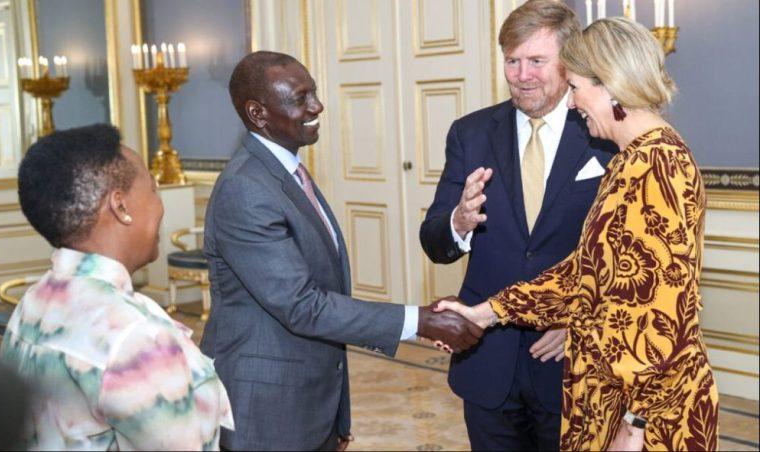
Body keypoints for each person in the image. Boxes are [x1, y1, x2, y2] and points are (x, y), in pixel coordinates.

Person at [436, 17, 719, 451]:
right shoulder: (632, 161)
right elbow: (585, 274)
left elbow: (665, 314)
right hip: (608, 396)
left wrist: (635, 422)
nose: (571, 102)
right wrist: (485, 313)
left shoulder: (657, 165)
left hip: (644, 413)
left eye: (576, 87)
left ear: (611, 86)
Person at [200, 51, 483, 451]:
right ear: (258, 113)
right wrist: (418, 321)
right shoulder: (246, 188)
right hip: (267, 411)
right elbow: (303, 306)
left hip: (308, 402)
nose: (317, 106)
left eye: (313, 92)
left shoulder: (285, 171)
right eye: (300, 98)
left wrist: (336, 416)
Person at [419, 0, 615, 449]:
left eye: (536, 61)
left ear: (569, 62)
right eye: (512, 61)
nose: (521, 74)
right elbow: (434, 242)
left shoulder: (603, 133)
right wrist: (457, 222)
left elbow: (628, 256)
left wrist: (583, 322)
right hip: (488, 359)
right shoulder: (470, 133)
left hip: (571, 360)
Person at [0, 124, 233, 450]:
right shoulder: (135, 335)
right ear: (120, 207)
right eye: (152, 189)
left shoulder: (34, 302)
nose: (159, 205)